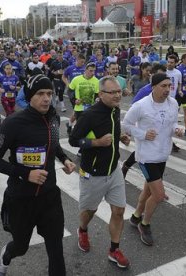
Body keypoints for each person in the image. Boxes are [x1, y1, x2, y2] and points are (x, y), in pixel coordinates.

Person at [0, 74, 76, 276]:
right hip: (21, 198)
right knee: (21, 247)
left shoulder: (53, 117)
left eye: (50, 94)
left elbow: (53, 143)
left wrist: (65, 159)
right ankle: (5, 258)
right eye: (40, 94)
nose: (46, 98)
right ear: (29, 96)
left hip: (49, 197)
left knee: (56, 249)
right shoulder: (12, 123)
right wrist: (26, 174)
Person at [69, 76, 131, 269]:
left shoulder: (115, 109)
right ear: (101, 94)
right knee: (90, 211)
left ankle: (114, 250)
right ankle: (83, 230)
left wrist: (121, 137)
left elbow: (112, 129)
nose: (117, 95)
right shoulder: (89, 115)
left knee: (119, 211)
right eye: (112, 93)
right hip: (93, 173)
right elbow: (73, 140)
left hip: (114, 170)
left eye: (119, 92)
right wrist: (96, 143)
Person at [122, 73, 184, 246]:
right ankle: (145, 224)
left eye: (169, 86)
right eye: (163, 86)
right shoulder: (140, 106)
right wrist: (142, 134)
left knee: (148, 191)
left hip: (163, 154)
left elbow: (172, 123)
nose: (167, 89)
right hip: (146, 156)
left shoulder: (173, 103)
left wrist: (177, 129)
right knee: (158, 195)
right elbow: (125, 125)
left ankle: (135, 217)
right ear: (153, 86)